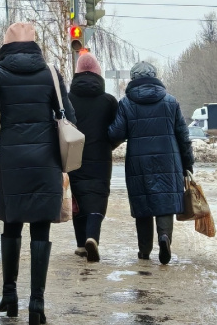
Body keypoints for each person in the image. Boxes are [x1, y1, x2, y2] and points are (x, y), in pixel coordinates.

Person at [0, 22, 74, 325]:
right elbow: (71, 117)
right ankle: (36, 302)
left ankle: (9, 295)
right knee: (41, 227)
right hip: (45, 160)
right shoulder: (50, 73)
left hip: (11, 160)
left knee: (11, 224)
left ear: (6, 45)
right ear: (34, 44)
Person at [108, 61, 193, 266]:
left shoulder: (126, 103)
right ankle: (164, 238)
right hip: (168, 160)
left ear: (133, 79)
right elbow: (183, 135)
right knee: (164, 203)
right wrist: (188, 163)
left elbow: (116, 134)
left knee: (143, 204)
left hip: (139, 162)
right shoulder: (170, 102)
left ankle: (144, 250)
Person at [67, 52, 118, 263]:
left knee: (77, 198)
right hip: (100, 157)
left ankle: (80, 245)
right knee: (97, 198)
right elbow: (117, 130)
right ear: (98, 74)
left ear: (77, 73)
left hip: (73, 156)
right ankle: (92, 237)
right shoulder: (109, 101)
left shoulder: (66, 100)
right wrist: (108, 145)